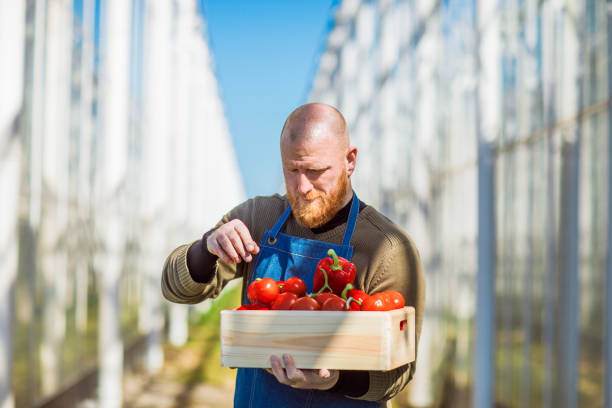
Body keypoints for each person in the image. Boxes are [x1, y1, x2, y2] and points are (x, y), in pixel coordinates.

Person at [161, 103, 425, 407]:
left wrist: (334, 378)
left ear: (350, 160)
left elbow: (399, 371)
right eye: (292, 170)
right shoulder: (258, 218)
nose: (302, 187)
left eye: (315, 171)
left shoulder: (387, 248)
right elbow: (175, 289)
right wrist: (207, 247)